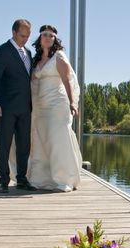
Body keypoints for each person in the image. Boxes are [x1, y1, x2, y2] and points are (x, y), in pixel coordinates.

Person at [27, 24, 82, 192]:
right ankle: (41, 178)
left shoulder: (59, 57)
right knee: (40, 141)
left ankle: (64, 179)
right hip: (40, 106)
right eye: (45, 35)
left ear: (55, 39)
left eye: (51, 36)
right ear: (40, 38)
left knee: (58, 140)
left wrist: (73, 102)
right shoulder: (36, 59)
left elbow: (67, 81)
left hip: (57, 104)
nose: (48, 38)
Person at [0, 19, 37, 193]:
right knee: (5, 144)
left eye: (28, 36)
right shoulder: (1, 52)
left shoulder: (29, 53)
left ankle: (22, 179)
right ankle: (3, 180)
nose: (25, 39)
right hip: (6, 108)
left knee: (24, 145)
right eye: (22, 35)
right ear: (14, 32)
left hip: (25, 108)